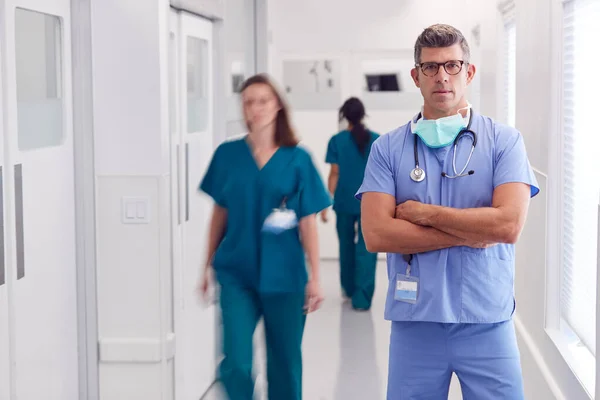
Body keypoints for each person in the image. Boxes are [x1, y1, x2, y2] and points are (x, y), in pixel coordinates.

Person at [356, 24, 539, 399]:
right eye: (430, 67)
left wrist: (424, 214)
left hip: (487, 320)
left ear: (468, 73)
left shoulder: (504, 142)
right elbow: (377, 235)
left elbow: (507, 225)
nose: (442, 76)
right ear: (416, 77)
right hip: (416, 323)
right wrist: (474, 231)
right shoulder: (387, 149)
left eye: (453, 65)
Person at [198, 74, 331, 400]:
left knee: (284, 365)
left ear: (277, 107)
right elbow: (220, 214)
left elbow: (307, 222)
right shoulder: (228, 155)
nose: (255, 109)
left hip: (285, 275)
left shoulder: (298, 159)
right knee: (236, 364)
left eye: (263, 101)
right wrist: (205, 265)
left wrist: (315, 277)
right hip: (237, 272)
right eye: (248, 102)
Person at [322, 97, 379, 310]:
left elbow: (334, 174)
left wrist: (326, 204)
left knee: (346, 246)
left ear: (345, 117)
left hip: (344, 201)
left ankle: (347, 289)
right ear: (363, 115)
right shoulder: (377, 140)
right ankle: (362, 299)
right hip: (370, 202)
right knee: (367, 248)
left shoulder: (336, 141)